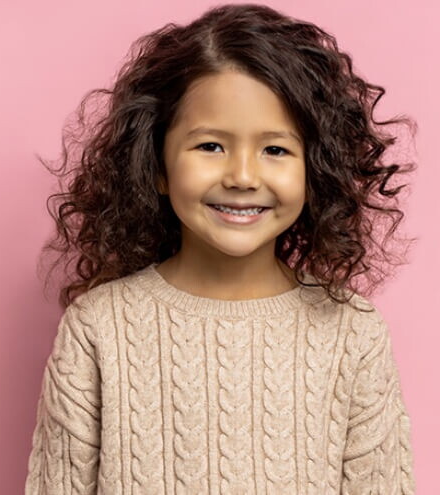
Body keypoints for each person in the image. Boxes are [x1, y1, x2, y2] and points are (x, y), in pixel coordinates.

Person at [25, 3, 418, 494]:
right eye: (210, 146)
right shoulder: (98, 328)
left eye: (275, 149)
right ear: (157, 165)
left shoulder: (352, 335)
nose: (243, 177)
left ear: (315, 171)